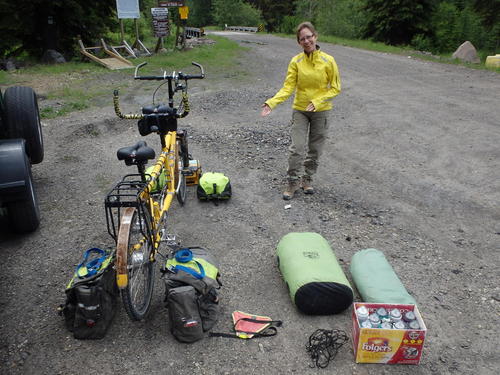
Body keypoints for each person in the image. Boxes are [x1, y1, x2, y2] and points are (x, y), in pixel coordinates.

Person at [261, 22, 341, 200]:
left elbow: (335, 88)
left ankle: (307, 180)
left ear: (315, 36)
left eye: (309, 36)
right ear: (299, 42)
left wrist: (318, 101)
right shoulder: (296, 61)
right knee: (297, 148)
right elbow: (288, 88)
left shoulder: (329, 61)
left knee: (315, 149)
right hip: (300, 110)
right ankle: (292, 182)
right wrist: (271, 103)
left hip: (322, 111)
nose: (306, 41)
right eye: (302, 39)